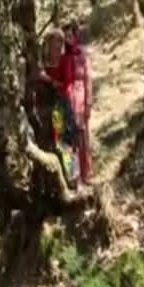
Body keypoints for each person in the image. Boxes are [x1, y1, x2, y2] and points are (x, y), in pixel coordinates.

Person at [41, 28, 79, 187]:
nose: (56, 46)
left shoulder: (66, 61)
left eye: (59, 42)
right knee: (51, 143)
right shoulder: (43, 63)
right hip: (46, 107)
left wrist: (48, 79)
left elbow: (67, 84)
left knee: (66, 142)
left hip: (61, 104)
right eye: (53, 43)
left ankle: (72, 178)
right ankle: (58, 180)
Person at [62, 20, 93, 184]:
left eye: (70, 36)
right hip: (66, 101)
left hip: (80, 99)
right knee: (69, 140)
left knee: (82, 138)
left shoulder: (82, 56)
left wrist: (88, 103)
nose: (68, 39)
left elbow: (88, 80)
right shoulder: (62, 59)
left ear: (75, 36)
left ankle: (86, 174)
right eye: (65, 37)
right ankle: (73, 175)